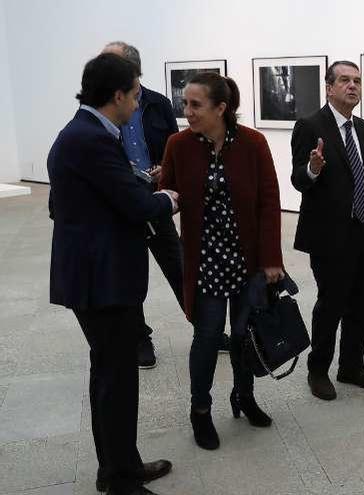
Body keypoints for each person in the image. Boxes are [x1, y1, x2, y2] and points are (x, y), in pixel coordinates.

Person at [48, 52, 176, 495]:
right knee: (116, 380)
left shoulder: (88, 133)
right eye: (136, 96)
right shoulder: (90, 139)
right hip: (101, 281)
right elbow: (137, 206)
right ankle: (121, 480)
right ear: (118, 95)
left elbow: (100, 196)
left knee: (111, 373)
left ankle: (120, 466)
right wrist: (169, 198)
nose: (139, 106)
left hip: (98, 275)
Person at [159, 72, 283, 450]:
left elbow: (268, 202)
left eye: (195, 105)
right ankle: (200, 410)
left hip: (246, 260)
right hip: (206, 260)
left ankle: (243, 397)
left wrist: (271, 259)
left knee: (245, 334)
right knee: (208, 337)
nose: (187, 112)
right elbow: (170, 192)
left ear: (221, 108)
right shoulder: (178, 144)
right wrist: (154, 189)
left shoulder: (253, 143)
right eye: (185, 104)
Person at [102, 41, 210, 369]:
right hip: (122, 204)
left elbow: (176, 147)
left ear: (132, 70)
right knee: (131, 275)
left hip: (156, 199)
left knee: (180, 268)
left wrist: (166, 168)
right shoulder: (106, 107)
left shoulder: (158, 104)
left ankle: (206, 330)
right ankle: (140, 338)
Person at [291, 60, 364, 401]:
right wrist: (312, 168)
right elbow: (298, 180)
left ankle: (352, 366)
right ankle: (318, 370)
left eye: (357, 81)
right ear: (329, 87)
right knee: (330, 303)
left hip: (362, 228)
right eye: (345, 80)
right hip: (328, 233)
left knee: (361, 305)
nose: (353, 86)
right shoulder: (309, 125)